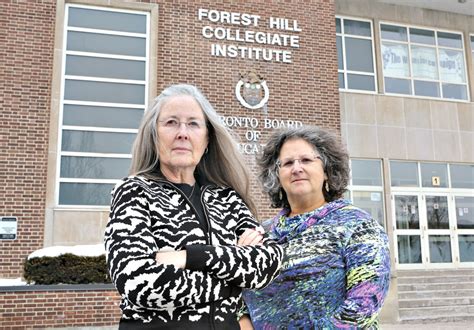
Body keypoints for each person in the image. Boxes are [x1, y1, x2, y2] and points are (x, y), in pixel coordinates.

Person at [104, 84, 283, 329]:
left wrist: (189, 257)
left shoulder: (227, 198)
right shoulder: (134, 191)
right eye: (171, 123)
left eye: (193, 124)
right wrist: (234, 279)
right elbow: (137, 281)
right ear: (153, 135)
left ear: (207, 138)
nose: (182, 133)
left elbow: (267, 263)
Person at [243, 126, 391, 329]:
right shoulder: (260, 234)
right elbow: (238, 298)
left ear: (327, 171)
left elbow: (365, 302)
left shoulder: (357, 225)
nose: (296, 168)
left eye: (306, 160)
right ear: (276, 176)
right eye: (287, 163)